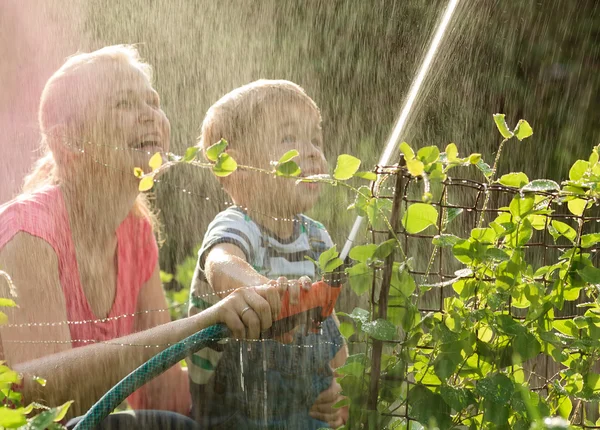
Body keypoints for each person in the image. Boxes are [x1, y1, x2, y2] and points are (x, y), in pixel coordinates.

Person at [0, 46, 282, 429]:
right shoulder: (29, 233)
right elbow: (40, 397)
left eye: (153, 101)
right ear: (70, 141)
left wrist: (279, 391)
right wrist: (198, 326)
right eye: (124, 103)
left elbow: (159, 388)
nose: (150, 114)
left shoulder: (135, 232)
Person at [187, 80, 349, 429]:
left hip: (302, 407)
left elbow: (329, 324)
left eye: (315, 140)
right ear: (234, 166)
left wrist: (340, 386)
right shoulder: (237, 225)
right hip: (233, 413)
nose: (311, 152)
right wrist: (260, 289)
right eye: (289, 138)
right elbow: (222, 265)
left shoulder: (317, 237)